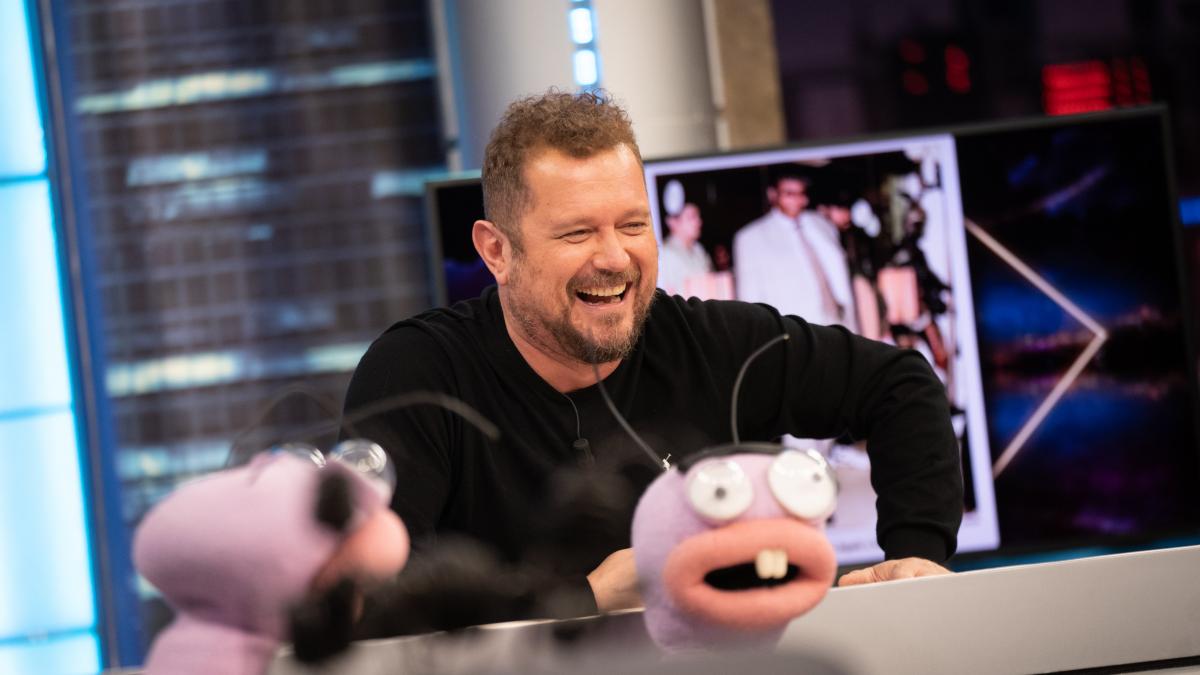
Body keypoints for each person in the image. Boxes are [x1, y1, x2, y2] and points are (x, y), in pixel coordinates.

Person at [343, 90, 962, 617]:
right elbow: (378, 608)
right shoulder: (417, 374)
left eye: (633, 225)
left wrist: (916, 558)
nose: (615, 257)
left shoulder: (710, 343)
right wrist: (587, 599)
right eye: (577, 232)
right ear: (497, 251)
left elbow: (900, 385)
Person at [733, 169, 857, 332]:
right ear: (772, 194)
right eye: (790, 193)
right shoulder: (751, 238)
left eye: (801, 193)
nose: (798, 200)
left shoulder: (821, 224)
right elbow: (749, 299)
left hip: (836, 323)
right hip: (793, 330)